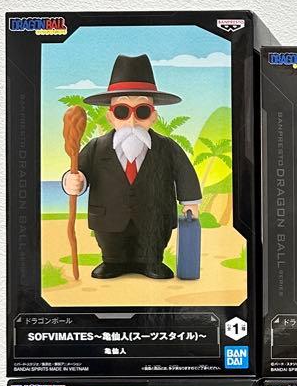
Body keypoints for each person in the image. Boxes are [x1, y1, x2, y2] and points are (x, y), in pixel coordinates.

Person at [61, 54, 201, 279]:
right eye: (122, 111)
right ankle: (112, 262)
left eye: (142, 111)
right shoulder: (96, 147)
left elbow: (184, 173)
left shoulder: (167, 148)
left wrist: (190, 202)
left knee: (153, 239)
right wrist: (74, 181)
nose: (132, 121)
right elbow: (80, 172)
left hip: (154, 216)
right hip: (109, 216)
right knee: (111, 242)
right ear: (110, 116)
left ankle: (152, 262)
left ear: (153, 116)